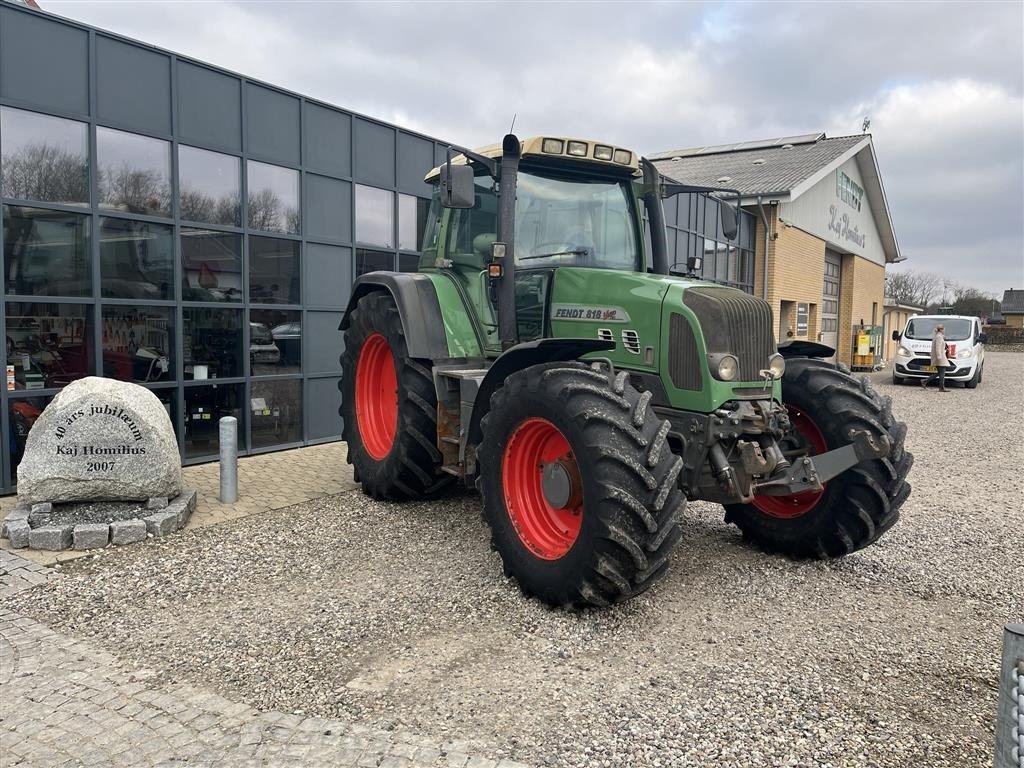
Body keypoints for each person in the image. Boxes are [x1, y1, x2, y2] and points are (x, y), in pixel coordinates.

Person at [922, 324, 950, 392]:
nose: (944, 330)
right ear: (941, 330)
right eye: (943, 329)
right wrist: (939, 357)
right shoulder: (939, 337)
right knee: (942, 373)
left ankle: (925, 381)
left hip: (939, 356)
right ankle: (941, 388)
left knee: (940, 373)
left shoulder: (938, 336)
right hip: (940, 357)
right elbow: (938, 348)